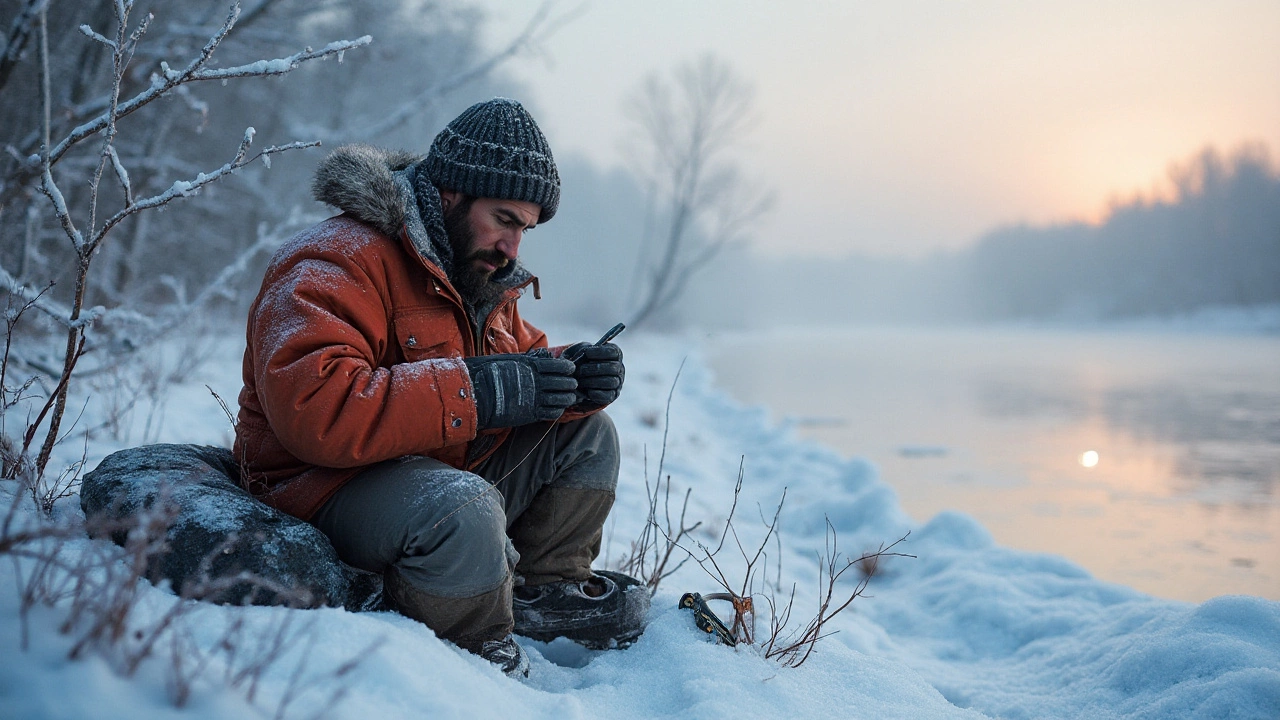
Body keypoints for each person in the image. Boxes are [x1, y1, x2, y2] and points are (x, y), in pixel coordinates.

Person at [233, 98, 646, 677]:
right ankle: (477, 653)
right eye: (504, 219)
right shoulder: (332, 259)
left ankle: (537, 590)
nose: (513, 248)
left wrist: (570, 376)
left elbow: (510, 365)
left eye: (524, 229)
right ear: (450, 193)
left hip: (430, 469)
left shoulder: (473, 270)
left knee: (590, 437)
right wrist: (482, 392)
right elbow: (315, 410)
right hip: (318, 489)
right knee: (461, 509)